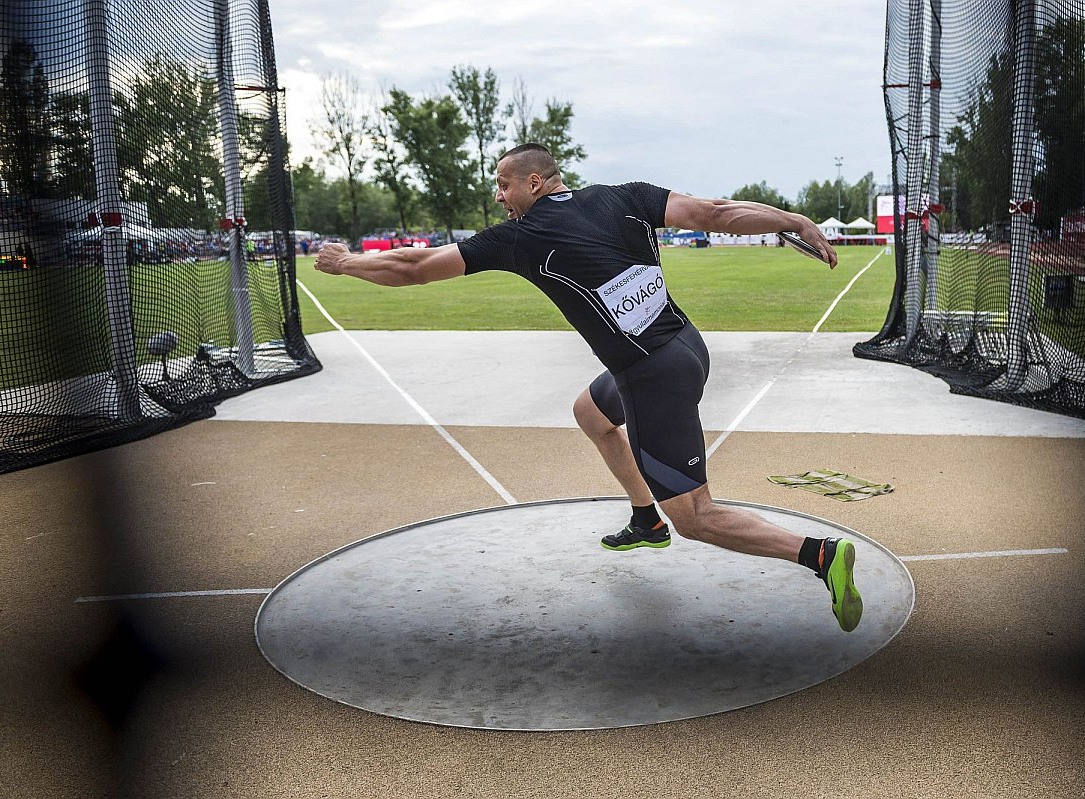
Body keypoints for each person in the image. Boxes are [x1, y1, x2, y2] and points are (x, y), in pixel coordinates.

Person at [315, 143, 862, 632]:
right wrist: (792, 219)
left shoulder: (522, 236)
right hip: (686, 347)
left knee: (696, 517)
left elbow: (414, 268)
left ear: (533, 182)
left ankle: (818, 556)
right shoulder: (624, 195)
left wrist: (346, 263)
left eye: (503, 185)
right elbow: (716, 213)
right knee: (592, 413)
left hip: (650, 374)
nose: (499, 197)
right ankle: (644, 517)